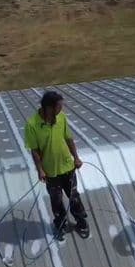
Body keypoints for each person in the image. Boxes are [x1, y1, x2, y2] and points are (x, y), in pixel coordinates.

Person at [24, 90, 89, 240]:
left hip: (67, 167)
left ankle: (81, 221)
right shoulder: (32, 125)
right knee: (56, 199)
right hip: (51, 171)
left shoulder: (62, 118)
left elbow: (69, 139)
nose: (61, 109)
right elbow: (34, 151)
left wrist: (76, 158)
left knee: (74, 196)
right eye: (58, 106)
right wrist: (40, 170)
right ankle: (61, 224)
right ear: (48, 107)